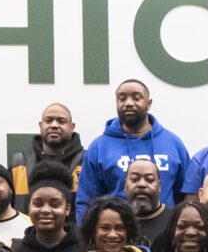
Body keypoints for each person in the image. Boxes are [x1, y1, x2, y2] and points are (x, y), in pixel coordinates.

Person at [78, 78, 193, 221]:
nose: (128, 103)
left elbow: (186, 197)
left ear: (149, 103)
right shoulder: (99, 147)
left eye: (136, 98)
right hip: (116, 234)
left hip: (165, 234)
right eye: (122, 99)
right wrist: (86, 239)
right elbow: (86, 200)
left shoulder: (173, 144)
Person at [12, 180, 85, 252]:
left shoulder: (85, 251)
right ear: (28, 207)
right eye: (38, 204)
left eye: (55, 205)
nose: (46, 210)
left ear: (67, 209)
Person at [23, 102, 86, 206]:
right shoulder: (20, 162)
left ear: (72, 127)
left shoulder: (87, 161)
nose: (54, 125)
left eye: (61, 121)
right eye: (48, 120)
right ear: (40, 125)